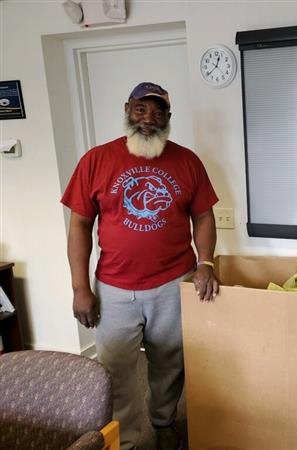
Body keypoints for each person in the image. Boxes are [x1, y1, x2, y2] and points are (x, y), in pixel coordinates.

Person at [61, 82, 219, 450]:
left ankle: (164, 423)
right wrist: (80, 288)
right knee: (114, 370)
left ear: (168, 118)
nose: (149, 118)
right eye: (141, 109)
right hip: (114, 288)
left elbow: (204, 215)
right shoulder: (96, 160)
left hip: (173, 283)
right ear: (127, 110)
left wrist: (206, 262)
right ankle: (126, 440)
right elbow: (79, 226)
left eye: (158, 111)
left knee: (170, 363)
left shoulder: (187, 161)